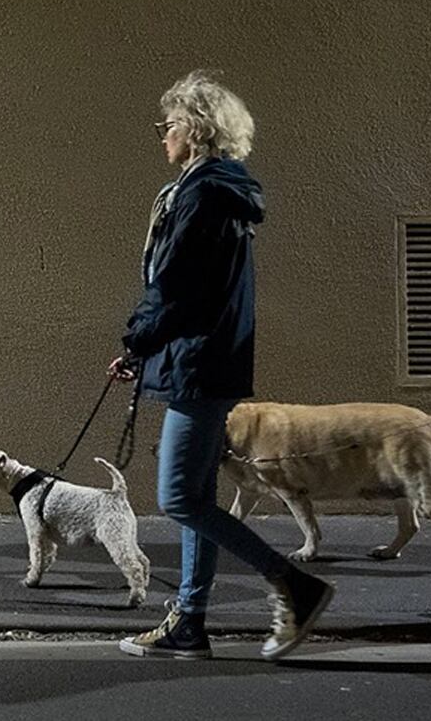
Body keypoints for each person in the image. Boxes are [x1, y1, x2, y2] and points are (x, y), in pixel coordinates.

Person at [110, 71, 334, 660]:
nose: (163, 136)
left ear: (197, 129)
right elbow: (192, 289)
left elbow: (177, 286)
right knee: (198, 497)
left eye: (170, 125)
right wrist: (147, 347)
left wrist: (138, 341)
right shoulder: (216, 192)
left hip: (199, 365)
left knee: (180, 499)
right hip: (202, 359)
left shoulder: (203, 193)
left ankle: (294, 585)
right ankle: (189, 622)